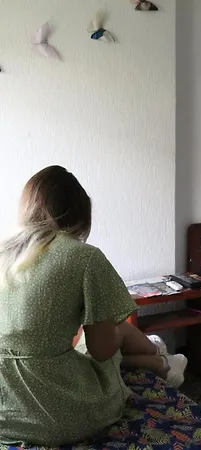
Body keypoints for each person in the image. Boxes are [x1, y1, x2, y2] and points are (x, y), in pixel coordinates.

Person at [0, 166, 187, 446]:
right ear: (79, 212)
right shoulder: (84, 257)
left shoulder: (5, 253)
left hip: (5, 415)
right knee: (111, 334)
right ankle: (159, 357)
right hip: (56, 416)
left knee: (85, 344)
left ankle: (160, 360)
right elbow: (102, 351)